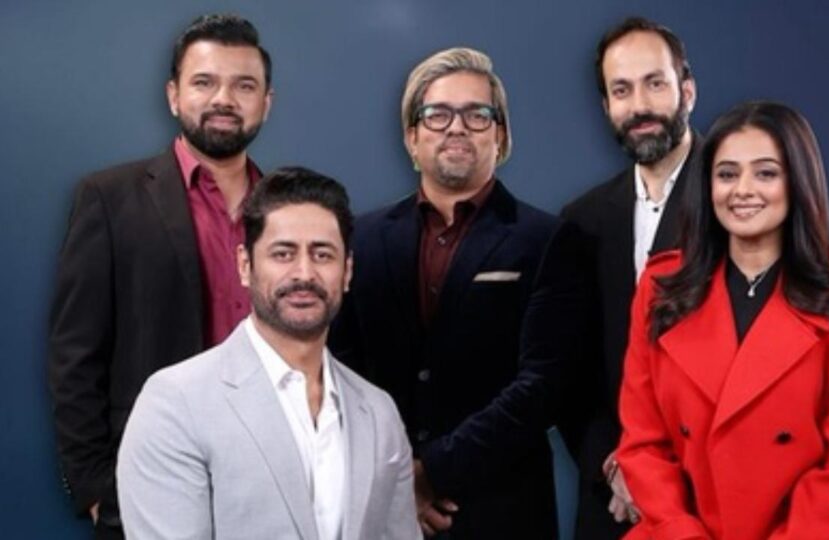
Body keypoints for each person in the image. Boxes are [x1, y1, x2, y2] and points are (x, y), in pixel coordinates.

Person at [329, 47, 586, 538]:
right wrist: (397, 476)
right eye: (438, 114)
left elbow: (543, 386)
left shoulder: (549, 239)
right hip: (378, 504)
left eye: (476, 114)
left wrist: (431, 474)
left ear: (500, 134)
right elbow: (340, 370)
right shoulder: (359, 238)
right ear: (412, 136)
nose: (457, 127)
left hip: (502, 512)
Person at [617, 101, 829, 539]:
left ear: (798, 181)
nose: (743, 190)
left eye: (766, 173)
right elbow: (643, 444)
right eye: (727, 174)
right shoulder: (661, 289)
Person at [47, 13, 273, 538]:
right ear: (174, 96)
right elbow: (74, 355)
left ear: (267, 102)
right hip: (149, 481)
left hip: (270, 481)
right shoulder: (108, 199)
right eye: (204, 82)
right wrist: (97, 490)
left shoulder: (289, 206)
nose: (224, 99)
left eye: (244, 85)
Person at [117, 167, 420, 540]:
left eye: (323, 254)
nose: (304, 273)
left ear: (347, 271)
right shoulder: (175, 403)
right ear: (245, 266)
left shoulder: (378, 412)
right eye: (283, 253)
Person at [559, 16, 698, 538]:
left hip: (714, 496)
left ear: (687, 91)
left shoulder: (738, 201)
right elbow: (572, 373)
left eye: (654, 83)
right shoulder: (582, 219)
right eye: (622, 90)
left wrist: (663, 478)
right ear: (606, 106)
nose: (639, 105)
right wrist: (617, 468)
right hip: (613, 502)